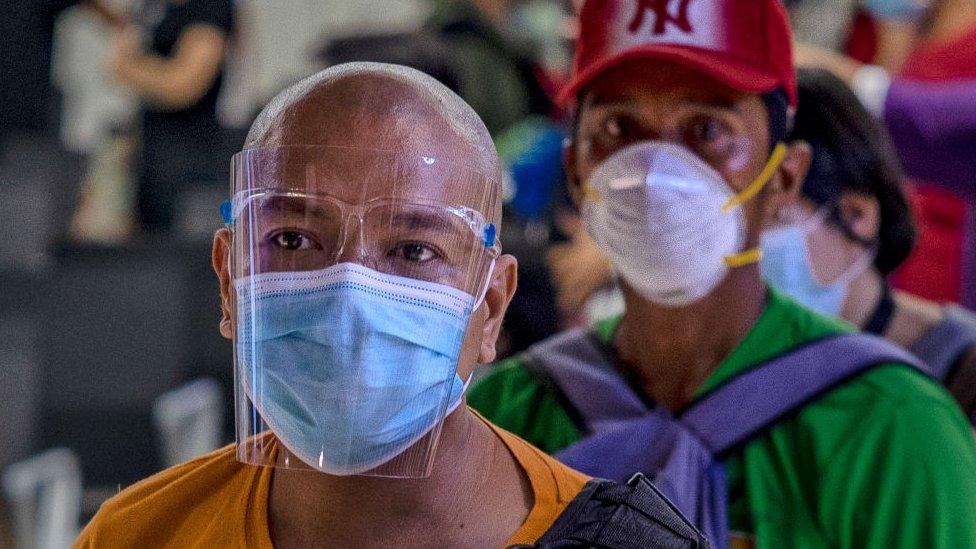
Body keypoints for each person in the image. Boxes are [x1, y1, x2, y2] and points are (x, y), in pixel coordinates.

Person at [75, 62, 705, 549]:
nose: (349, 294)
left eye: (412, 250)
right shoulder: (141, 534)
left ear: (489, 304)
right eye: (293, 240)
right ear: (228, 279)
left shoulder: (614, 541)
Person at [469, 0, 976, 546]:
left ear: (784, 177)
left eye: (708, 129)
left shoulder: (891, 429)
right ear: (574, 170)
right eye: (619, 126)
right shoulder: (503, 418)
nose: (655, 167)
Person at [762, 67, 976, 422]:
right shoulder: (750, 375)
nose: (741, 250)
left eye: (770, 220)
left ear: (856, 216)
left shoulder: (963, 378)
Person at [110, 0, 235, 232]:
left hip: (189, 161)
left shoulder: (210, 8)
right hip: (149, 157)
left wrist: (130, 69)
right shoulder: (151, 7)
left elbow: (184, 85)